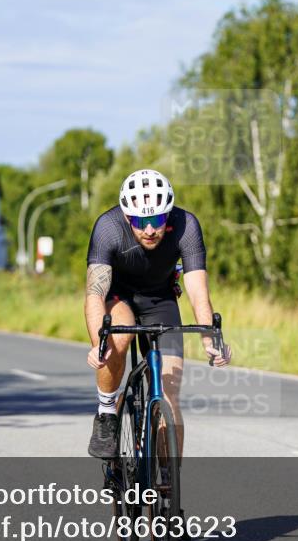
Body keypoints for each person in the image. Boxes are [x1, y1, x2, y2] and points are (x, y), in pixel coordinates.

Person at [85, 169, 231, 459]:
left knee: (169, 392)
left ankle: (167, 483)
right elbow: (94, 294)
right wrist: (97, 344)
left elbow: (197, 290)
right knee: (119, 337)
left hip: (160, 298)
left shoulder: (186, 224)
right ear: (128, 217)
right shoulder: (108, 227)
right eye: (141, 221)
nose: (150, 229)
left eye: (157, 220)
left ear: (169, 214)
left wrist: (209, 341)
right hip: (119, 296)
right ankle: (106, 411)